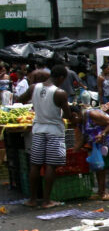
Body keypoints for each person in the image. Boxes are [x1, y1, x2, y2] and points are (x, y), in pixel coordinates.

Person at [16, 68, 75, 209]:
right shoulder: (59, 93)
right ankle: (46, 200)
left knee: (35, 165)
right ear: (61, 77)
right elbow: (67, 115)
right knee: (50, 165)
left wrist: (38, 105)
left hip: (38, 130)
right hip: (54, 131)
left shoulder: (33, 88)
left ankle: (32, 199)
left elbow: (20, 100)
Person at [73, 105, 109, 200]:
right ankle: (101, 191)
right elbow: (83, 138)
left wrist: (102, 134)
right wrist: (74, 150)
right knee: (100, 166)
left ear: (75, 115)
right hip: (100, 143)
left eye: (70, 118)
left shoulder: (92, 114)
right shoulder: (80, 123)